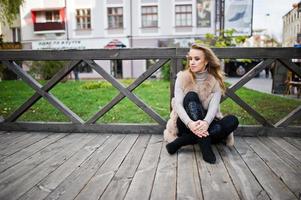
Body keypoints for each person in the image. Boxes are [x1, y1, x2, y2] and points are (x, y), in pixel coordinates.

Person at [163, 43, 239, 164]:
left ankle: (181, 142)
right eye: (190, 59)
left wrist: (205, 122)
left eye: (197, 59)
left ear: (206, 61)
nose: (192, 62)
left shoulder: (215, 80)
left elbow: (214, 108)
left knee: (233, 120)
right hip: (185, 123)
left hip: (207, 125)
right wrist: (190, 124)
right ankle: (205, 147)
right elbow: (178, 105)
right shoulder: (182, 77)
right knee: (191, 96)